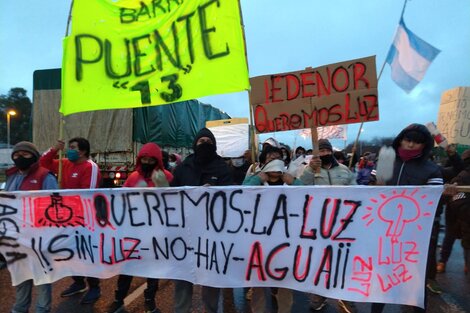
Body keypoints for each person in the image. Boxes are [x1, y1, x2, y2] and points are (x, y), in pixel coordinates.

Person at [370, 124, 443, 313]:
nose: (411, 145)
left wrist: (444, 192)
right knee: (383, 274)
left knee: (415, 278)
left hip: (415, 235)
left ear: (424, 145)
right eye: (408, 140)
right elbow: (370, 192)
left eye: (417, 142)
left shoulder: (431, 169)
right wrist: (378, 183)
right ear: (401, 139)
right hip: (385, 230)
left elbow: (433, 203)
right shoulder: (387, 161)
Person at [170, 128, 233, 313]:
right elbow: (173, 195)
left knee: (211, 278)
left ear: (213, 145)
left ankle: (211, 310)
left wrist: (213, 192)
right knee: (182, 278)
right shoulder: (184, 167)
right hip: (185, 233)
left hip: (212, 234)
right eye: (201, 141)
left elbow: (230, 196)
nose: (204, 143)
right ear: (194, 144)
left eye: (208, 140)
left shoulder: (222, 167)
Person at [105, 143, 172, 313]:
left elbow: (174, 204)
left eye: (151, 159)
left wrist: (164, 188)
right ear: (139, 159)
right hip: (133, 232)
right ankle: (118, 299)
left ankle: (150, 300)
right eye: (144, 158)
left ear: (157, 160)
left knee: (153, 269)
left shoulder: (167, 177)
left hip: (156, 233)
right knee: (127, 267)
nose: (147, 161)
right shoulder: (133, 177)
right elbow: (121, 200)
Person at [40, 137, 102, 304]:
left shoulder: (90, 167)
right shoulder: (65, 163)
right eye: (68, 147)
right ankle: (78, 282)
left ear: (82, 151)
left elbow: (87, 195)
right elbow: (43, 163)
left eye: (73, 147)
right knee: (70, 251)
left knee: (86, 252)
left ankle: (94, 286)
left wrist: (65, 198)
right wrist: (54, 149)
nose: (69, 150)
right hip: (66, 217)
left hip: (84, 219)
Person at [299, 139, 357, 312]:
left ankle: (345, 296)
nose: (324, 154)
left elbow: (357, 191)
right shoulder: (308, 169)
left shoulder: (345, 170)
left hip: (343, 223)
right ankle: (319, 295)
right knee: (320, 260)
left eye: (326, 150)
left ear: (332, 151)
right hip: (319, 223)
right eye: (321, 151)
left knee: (343, 260)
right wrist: (310, 169)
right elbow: (300, 187)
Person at [243, 159, 303, 313]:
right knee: (258, 282)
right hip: (259, 241)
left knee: (285, 283)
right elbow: (241, 192)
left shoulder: (290, 183)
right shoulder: (255, 180)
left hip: (285, 242)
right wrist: (257, 178)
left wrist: (294, 182)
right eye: (270, 159)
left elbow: (310, 194)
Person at [5, 141, 58, 313]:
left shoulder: (46, 177)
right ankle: (19, 310)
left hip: (39, 241)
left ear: (34, 156)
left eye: (25, 154)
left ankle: (42, 310)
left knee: (42, 282)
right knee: (21, 281)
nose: (20, 157)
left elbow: (54, 208)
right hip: (17, 241)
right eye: (16, 154)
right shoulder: (12, 176)